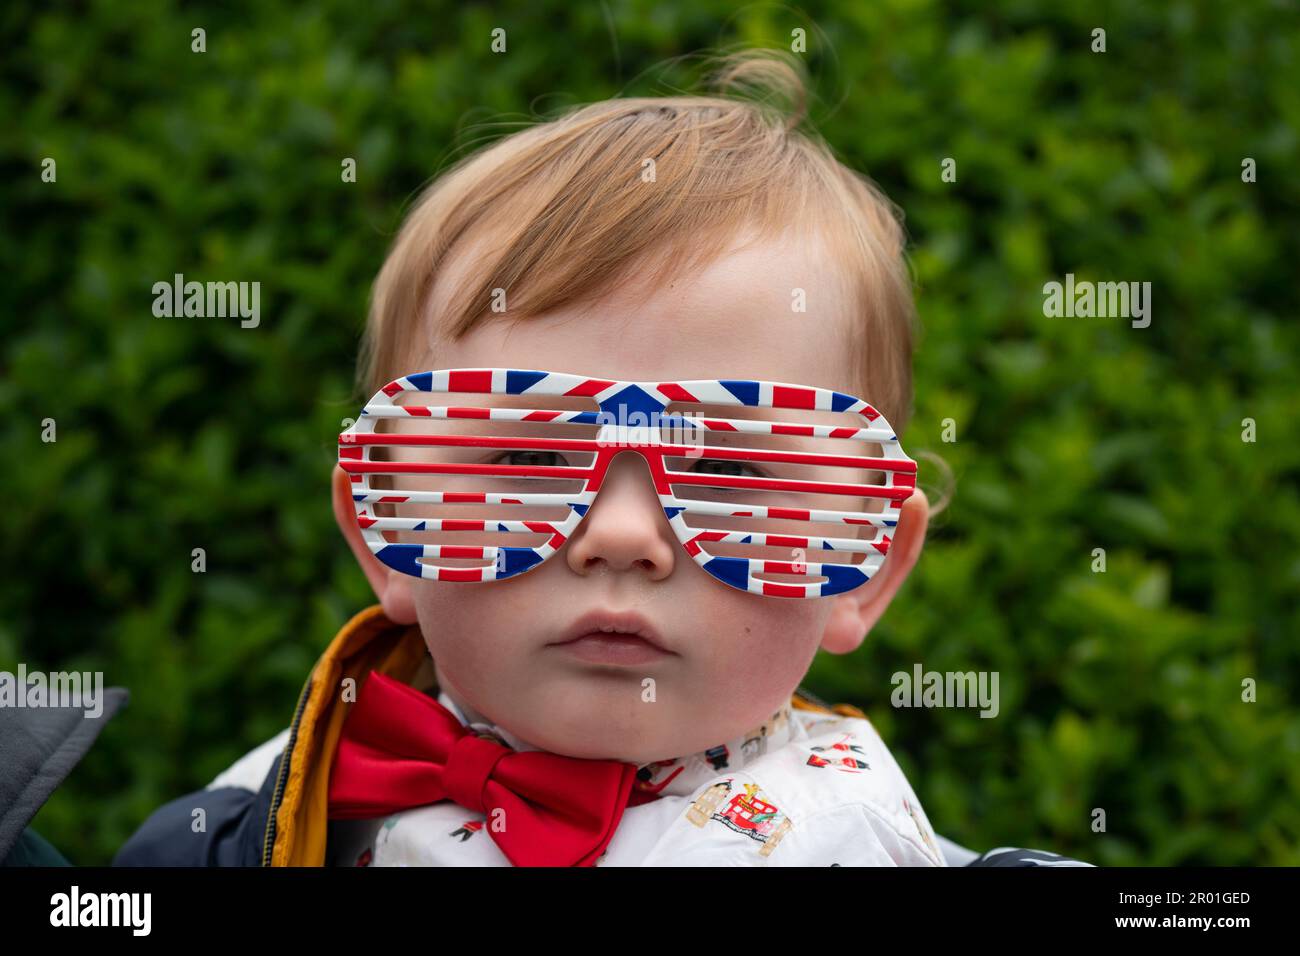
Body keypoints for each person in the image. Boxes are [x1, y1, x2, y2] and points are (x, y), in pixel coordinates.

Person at [114, 50, 1081, 867]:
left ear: (863, 566)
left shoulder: (849, 837)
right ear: (384, 527)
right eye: (523, 457)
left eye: (738, 471)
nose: (621, 537)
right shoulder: (274, 803)